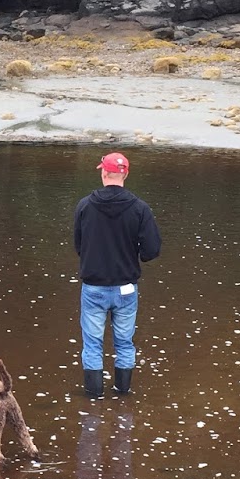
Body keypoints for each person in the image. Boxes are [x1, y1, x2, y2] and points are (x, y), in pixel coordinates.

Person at [71, 150, 161, 399]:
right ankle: (123, 396)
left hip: (94, 287)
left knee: (92, 345)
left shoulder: (85, 206)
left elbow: (79, 246)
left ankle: (93, 399)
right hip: (126, 288)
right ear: (126, 174)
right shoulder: (140, 208)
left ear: (104, 173)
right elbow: (152, 250)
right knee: (124, 343)